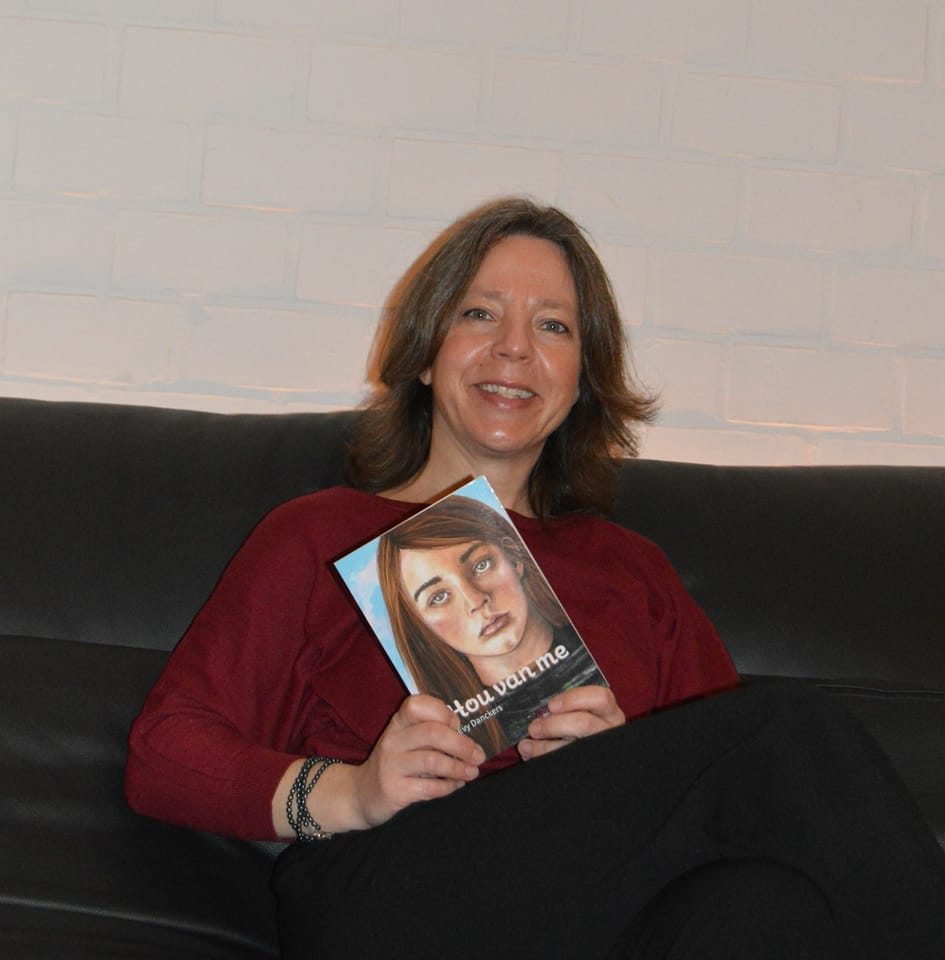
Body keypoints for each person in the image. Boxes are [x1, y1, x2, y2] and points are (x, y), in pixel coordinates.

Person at [125, 197, 945, 959]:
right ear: (423, 353)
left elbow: (729, 793)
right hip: (391, 891)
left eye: (552, 327)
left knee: (761, 905)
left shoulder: (631, 572)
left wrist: (616, 764)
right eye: (479, 314)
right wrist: (354, 792)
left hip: (595, 918)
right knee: (789, 727)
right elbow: (165, 755)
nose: (513, 348)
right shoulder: (317, 533)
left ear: (581, 379)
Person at [376, 493, 606, 755]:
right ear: (421, 628)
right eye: (438, 597)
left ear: (515, 558)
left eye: (481, 565)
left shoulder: (609, 637)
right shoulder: (441, 738)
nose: (476, 600)